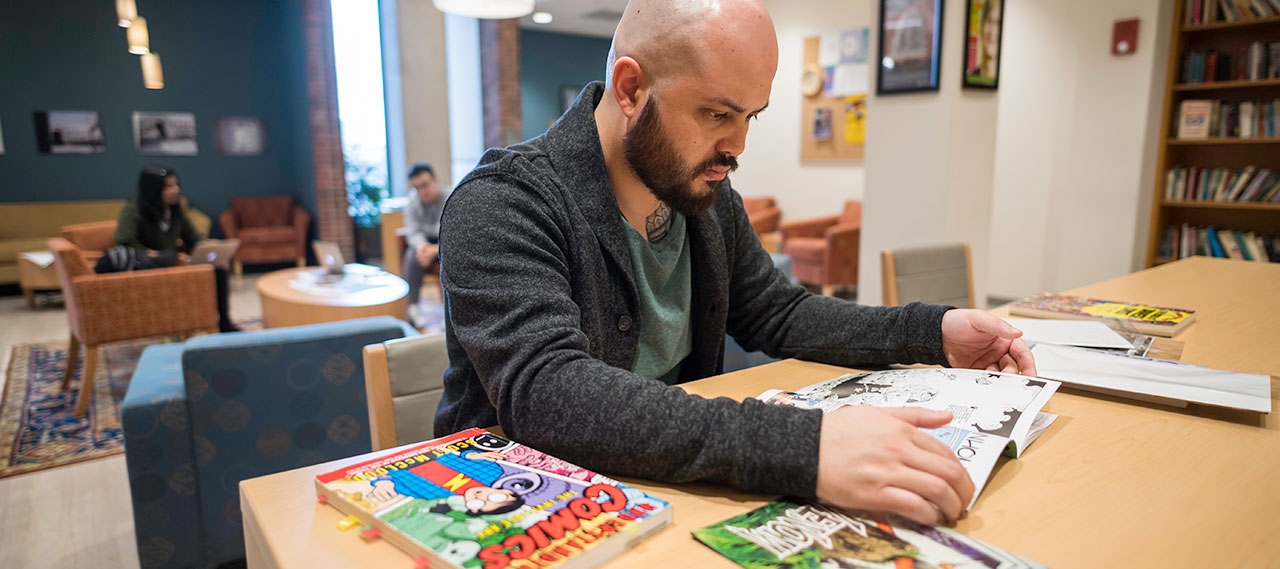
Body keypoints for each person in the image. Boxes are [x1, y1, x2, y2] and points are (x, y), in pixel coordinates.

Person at [436, 0, 1036, 527]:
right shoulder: (502, 203)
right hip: (517, 508)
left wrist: (932, 333)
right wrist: (806, 446)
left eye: (751, 116)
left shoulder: (705, 199)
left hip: (666, 490)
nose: (738, 146)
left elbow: (779, 312)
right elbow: (547, 390)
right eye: (717, 114)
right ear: (630, 89)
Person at [114, 165, 240, 333]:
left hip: (174, 264)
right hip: (148, 268)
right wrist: (156, 255)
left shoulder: (174, 210)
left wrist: (208, 247)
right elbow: (124, 241)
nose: (176, 190)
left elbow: (192, 236)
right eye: (169, 186)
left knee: (219, 269)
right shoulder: (132, 210)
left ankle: (224, 322)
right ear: (153, 189)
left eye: (176, 185)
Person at [402, 162, 445, 328]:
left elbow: (455, 233)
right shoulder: (412, 203)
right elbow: (412, 232)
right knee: (412, 255)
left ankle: (448, 312)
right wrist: (422, 248)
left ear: (436, 180)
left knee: (450, 257)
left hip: (445, 244)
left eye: (425, 185)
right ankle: (412, 307)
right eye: (416, 187)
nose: (422, 192)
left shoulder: (451, 197)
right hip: (425, 245)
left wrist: (436, 250)